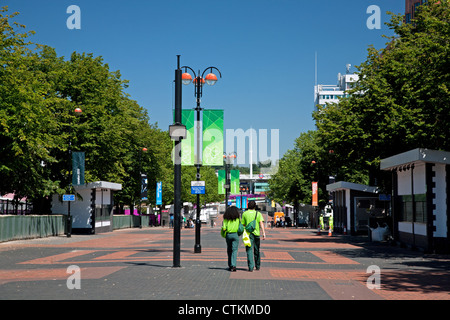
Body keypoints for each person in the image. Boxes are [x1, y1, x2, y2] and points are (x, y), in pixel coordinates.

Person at [241, 200, 266, 272]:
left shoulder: (245, 213)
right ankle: (257, 265)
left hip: (248, 234)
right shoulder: (258, 213)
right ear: (255, 206)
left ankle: (251, 267)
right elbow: (261, 223)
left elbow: (243, 224)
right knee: (257, 250)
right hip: (256, 234)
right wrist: (263, 233)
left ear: (248, 206)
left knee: (249, 250)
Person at [222, 206, 241, 272]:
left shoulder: (226, 219)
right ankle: (234, 265)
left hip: (228, 235)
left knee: (229, 249)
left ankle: (230, 265)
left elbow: (224, 228)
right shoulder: (238, 219)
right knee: (234, 250)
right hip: (235, 235)